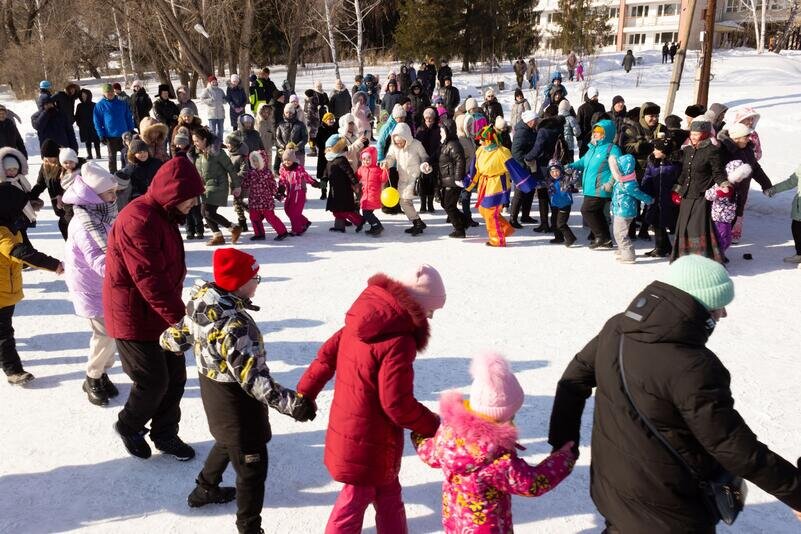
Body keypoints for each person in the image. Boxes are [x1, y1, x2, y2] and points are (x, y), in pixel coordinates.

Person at [548, 254, 801, 533]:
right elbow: (732, 447)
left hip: (613, 490)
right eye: (718, 306)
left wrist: (564, 444)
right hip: (669, 508)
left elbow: (572, 380)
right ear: (697, 306)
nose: (723, 314)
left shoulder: (617, 327)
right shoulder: (693, 365)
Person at [160, 248, 315, 534]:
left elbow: (174, 339)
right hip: (236, 403)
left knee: (225, 438)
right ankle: (249, 529)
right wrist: (295, 405)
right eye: (256, 278)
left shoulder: (202, 301)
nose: (258, 283)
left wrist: (184, 341)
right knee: (251, 470)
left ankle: (205, 489)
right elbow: (253, 380)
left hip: (213, 393)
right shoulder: (237, 326)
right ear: (240, 283)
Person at [296, 264, 445, 534]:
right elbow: (396, 404)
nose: (430, 317)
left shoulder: (362, 320)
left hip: (356, 428)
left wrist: (306, 389)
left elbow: (326, 356)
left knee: (388, 490)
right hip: (368, 439)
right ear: (416, 304)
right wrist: (433, 425)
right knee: (355, 498)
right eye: (430, 310)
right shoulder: (399, 340)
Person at [105, 155, 204, 460]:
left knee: (175, 377)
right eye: (189, 199)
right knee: (152, 380)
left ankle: (165, 434)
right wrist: (182, 320)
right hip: (133, 316)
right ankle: (128, 425)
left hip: (160, 314)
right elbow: (149, 277)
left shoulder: (164, 216)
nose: (193, 205)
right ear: (172, 194)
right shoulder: (139, 219)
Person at [414, 352, 576, 533]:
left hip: (456, 523)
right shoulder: (496, 459)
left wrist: (419, 434)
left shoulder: (447, 435)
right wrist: (562, 459)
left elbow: (428, 454)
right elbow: (532, 483)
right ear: (502, 418)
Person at [62, 162, 121, 406]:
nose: (113, 196)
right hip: (91, 286)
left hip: (104, 284)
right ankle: (92, 376)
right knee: (105, 333)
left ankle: (102, 372)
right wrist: (125, 274)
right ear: (93, 195)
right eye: (109, 192)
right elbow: (98, 257)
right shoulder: (86, 223)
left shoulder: (102, 213)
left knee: (112, 332)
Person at [0, 185, 63, 386]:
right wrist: (54, 265)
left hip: (7, 289)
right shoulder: (1, 233)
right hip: (1, 294)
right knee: (4, 334)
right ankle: (13, 370)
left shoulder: (10, 226)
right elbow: (21, 253)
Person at [464, 125, 534, 247]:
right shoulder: (480, 150)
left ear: (489, 140)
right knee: (483, 210)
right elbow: (475, 170)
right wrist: (468, 183)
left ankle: (497, 240)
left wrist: (525, 183)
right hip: (484, 185)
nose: (480, 141)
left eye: (482, 139)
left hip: (497, 185)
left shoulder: (502, 152)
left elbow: (514, 169)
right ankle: (505, 229)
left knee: (491, 213)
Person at [671, 118, 728, 263]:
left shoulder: (712, 151)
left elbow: (718, 172)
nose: (693, 137)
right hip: (686, 195)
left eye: (697, 134)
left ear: (705, 135)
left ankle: (701, 260)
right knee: (683, 227)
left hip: (701, 195)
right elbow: (684, 173)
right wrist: (677, 189)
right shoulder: (688, 150)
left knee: (695, 228)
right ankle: (684, 259)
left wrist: (723, 184)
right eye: (692, 134)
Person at [568, 120, 622, 249]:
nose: (596, 134)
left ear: (607, 133)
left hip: (601, 188)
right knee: (596, 212)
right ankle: (606, 239)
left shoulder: (612, 149)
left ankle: (600, 237)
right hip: (590, 187)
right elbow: (583, 162)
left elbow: (617, 167)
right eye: (595, 131)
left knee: (587, 210)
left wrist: (610, 183)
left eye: (599, 131)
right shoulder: (593, 148)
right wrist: (569, 166)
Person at [192, 128, 242, 246]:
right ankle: (218, 236)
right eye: (193, 141)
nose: (195, 144)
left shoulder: (217, 152)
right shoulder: (198, 154)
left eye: (197, 141)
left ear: (204, 140)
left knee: (207, 212)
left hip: (219, 185)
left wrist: (237, 186)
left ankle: (233, 228)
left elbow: (231, 169)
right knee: (205, 212)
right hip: (206, 188)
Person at [382, 122, 430, 236]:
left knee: (405, 200)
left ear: (406, 138)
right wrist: (386, 163)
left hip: (414, 177)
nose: (399, 145)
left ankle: (417, 222)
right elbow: (390, 157)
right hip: (402, 177)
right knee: (403, 201)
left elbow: (424, 156)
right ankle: (416, 222)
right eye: (397, 143)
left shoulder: (416, 144)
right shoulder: (394, 147)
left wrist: (425, 164)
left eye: (401, 142)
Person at [609, 154, 654, 264]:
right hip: (620, 209)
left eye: (618, 168)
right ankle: (622, 250)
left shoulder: (628, 183)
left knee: (620, 234)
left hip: (625, 211)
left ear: (623, 169)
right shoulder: (622, 180)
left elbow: (639, 194)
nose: (615, 170)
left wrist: (650, 200)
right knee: (620, 232)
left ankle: (628, 255)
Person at [705, 159, 751, 263]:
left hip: (728, 217)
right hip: (719, 216)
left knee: (727, 239)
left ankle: (718, 254)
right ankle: (716, 257)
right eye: (739, 176)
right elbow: (708, 195)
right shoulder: (722, 184)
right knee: (723, 239)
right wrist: (719, 192)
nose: (740, 179)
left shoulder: (735, 186)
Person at [641, 138, 681, 258]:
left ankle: (662, 247)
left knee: (663, 222)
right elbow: (647, 176)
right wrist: (644, 190)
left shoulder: (675, 164)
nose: (654, 151)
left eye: (657, 149)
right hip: (654, 197)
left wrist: (676, 191)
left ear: (664, 151)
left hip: (668, 199)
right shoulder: (652, 161)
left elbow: (680, 180)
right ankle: (662, 247)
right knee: (655, 221)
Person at [241, 149, 288, 241]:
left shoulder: (267, 173)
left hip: (266, 200)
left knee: (270, 217)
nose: (255, 163)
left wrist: (277, 193)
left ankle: (282, 232)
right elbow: (245, 184)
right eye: (253, 161)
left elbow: (272, 185)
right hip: (254, 200)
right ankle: (259, 234)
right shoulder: (251, 173)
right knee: (254, 217)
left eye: (257, 161)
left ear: (263, 161)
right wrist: (241, 180)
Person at [324, 134, 365, 233]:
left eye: (330, 148)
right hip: (334, 190)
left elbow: (349, 173)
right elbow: (326, 171)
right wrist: (323, 179)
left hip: (343, 190)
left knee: (344, 210)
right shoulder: (330, 159)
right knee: (336, 210)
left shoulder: (341, 160)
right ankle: (339, 226)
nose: (328, 150)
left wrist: (355, 184)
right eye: (327, 148)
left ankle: (359, 220)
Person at [93, 83, 135, 174]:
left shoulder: (122, 103)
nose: (110, 93)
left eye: (112, 91)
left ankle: (126, 173)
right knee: (112, 157)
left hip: (124, 135)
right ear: (104, 93)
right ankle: (113, 175)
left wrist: (131, 129)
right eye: (108, 92)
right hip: (110, 136)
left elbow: (128, 117)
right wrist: (101, 135)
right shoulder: (99, 106)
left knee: (126, 155)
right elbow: (97, 122)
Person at [278, 144, 318, 236]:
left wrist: (314, 183)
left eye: (289, 160)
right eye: (285, 160)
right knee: (287, 209)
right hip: (289, 193)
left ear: (293, 160)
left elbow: (306, 176)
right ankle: (304, 222)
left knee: (294, 212)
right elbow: (282, 179)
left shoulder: (298, 169)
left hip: (298, 193)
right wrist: (280, 189)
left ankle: (297, 229)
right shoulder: (283, 169)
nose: (287, 162)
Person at [764, 162, 801, 263]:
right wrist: (774, 189)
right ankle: (799, 254)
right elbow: (791, 182)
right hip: (799, 206)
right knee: (797, 229)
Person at [438, 117, 467, 238]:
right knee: (446, 204)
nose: (440, 132)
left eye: (442, 130)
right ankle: (465, 220)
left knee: (449, 206)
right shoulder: (445, 144)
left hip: (453, 181)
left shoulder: (454, 144)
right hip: (446, 179)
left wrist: (457, 178)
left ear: (448, 131)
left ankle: (459, 229)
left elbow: (460, 161)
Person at [509, 110, 539, 229]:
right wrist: (525, 162)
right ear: (529, 121)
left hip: (529, 165)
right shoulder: (522, 132)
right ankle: (513, 218)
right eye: (535, 120)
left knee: (530, 190)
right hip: (522, 167)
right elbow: (515, 151)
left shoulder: (530, 129)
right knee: (520, 193)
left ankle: (525, 216)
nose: (536, 122)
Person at [356, 146, 387, 236]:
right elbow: (356, 176)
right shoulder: (361, 169)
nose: (366, 161)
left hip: (373, 195)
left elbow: (383, 179)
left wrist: (385, 170)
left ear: (373, 158)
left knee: (366, 213)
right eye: (364, 159)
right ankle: (374, 226)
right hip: (365, 195)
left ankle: (377, 226)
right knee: (367, 212)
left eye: (369, 158)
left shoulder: (377, 170)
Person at [414, 108, 440, 214]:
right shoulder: (420, 129)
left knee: (432, 182)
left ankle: (430, 204)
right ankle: (423, 204)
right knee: (422, 182)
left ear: (434, 119)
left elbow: (439, 146)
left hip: (434, 159)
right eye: (426, 118)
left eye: (431, 118)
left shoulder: (438, 130)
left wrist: (433, 157)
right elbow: (417, 145)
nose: (429, 120)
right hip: (422, 160)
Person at [546, 160, 576, 246]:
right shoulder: (549, 181)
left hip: (565, 205)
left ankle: (570, 238)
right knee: (554, 221)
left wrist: (571, 171)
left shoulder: (565, 179)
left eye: (557, 171)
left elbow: (574, 178)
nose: (555, 173)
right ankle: (558, 237)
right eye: (552, 171)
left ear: (561, 171)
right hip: (555, 205)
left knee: (561, 224)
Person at [576, 87, 605, 157]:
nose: (595, 98)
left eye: (596, 96)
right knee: (584, 157)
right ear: (589, 96)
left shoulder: (601, 107)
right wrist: (579, 139)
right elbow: (579, 124)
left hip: (599, 136)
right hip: (585, 138)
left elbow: (604, 121)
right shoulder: (582, 108)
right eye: (593, 96)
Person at [315, 112, 338, 199]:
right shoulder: (321, 129)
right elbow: (317, 142)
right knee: (323, 176)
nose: (331, 121)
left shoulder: (335, 129)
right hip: (323, 156)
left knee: (333, 175)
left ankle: (332, 193)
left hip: (334, 155)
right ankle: (323, 192)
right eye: (329, 119)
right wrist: (325, 147)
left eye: (332, 119)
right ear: (325, 120)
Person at [75, 89, 101, 160]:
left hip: (93, 126)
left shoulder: (94, 105)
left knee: (96, 140)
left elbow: (99, 115)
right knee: (87, 141)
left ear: (88, 95)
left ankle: (98, 154)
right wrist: (79, 124)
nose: (83, 97)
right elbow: (77, 116)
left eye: (85, 95)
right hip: (84, 127)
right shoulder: (79, 106)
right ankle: (89, 155)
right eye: (82, 96)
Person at [201, 76, 226, 142]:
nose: (214, 83)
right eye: (213, 82)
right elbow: (202, 99)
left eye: (215, 81)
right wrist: (210, 100)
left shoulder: (220, 90)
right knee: (212, 130)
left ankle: (220, 142)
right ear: (210, 82)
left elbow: (224, 98)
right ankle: (212, 142)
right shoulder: (207, 90)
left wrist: (224, 100)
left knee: (221, 130)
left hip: (221, 113)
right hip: (212, 114)